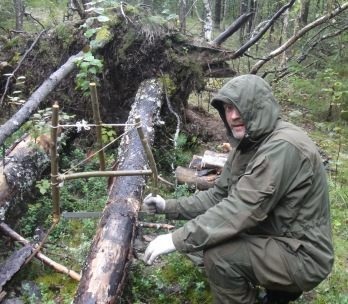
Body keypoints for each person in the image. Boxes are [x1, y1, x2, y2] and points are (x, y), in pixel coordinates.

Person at [142, 74, 334, 304]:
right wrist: (168, 206)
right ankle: (276, 293)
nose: (232, 116)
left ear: (259, 107)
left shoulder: (283, 146)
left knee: (219, 256)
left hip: (304, 255)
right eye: (227, 108)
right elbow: (219, 196)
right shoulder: (249, 144)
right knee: (202, 242)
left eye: (240, 108)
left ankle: (279, 289)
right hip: (278, 237)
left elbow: (240, 209)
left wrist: (176, 239)